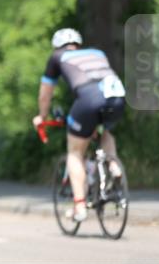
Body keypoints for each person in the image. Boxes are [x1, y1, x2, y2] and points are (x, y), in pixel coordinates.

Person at [32, 28, 126, 222]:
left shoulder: (57, 56)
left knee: (74, 152)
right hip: (116, 95)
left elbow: (45, 94)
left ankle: (80, 206)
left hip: (89, 98)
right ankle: (114, 167)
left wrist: (42, 116)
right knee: (106, 133)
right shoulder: (97, 53)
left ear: (56, 46)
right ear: (78, 44)